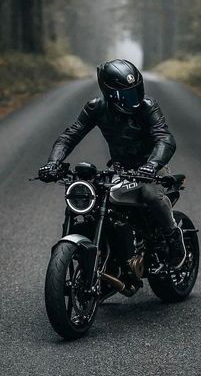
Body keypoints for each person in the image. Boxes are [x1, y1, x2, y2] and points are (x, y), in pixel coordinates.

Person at [38, 59, 186, 273]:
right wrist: (53, 163)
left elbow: (165, 138)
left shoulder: (148, 107)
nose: (132, 98)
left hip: (151, 168)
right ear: (109, 93)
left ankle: (173, 236)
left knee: (151, 195)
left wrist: (152, 164)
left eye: (135, 90)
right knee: (96, 198)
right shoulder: (96, 107)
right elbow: (69, 136)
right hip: (120, 169)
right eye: (125, 94)